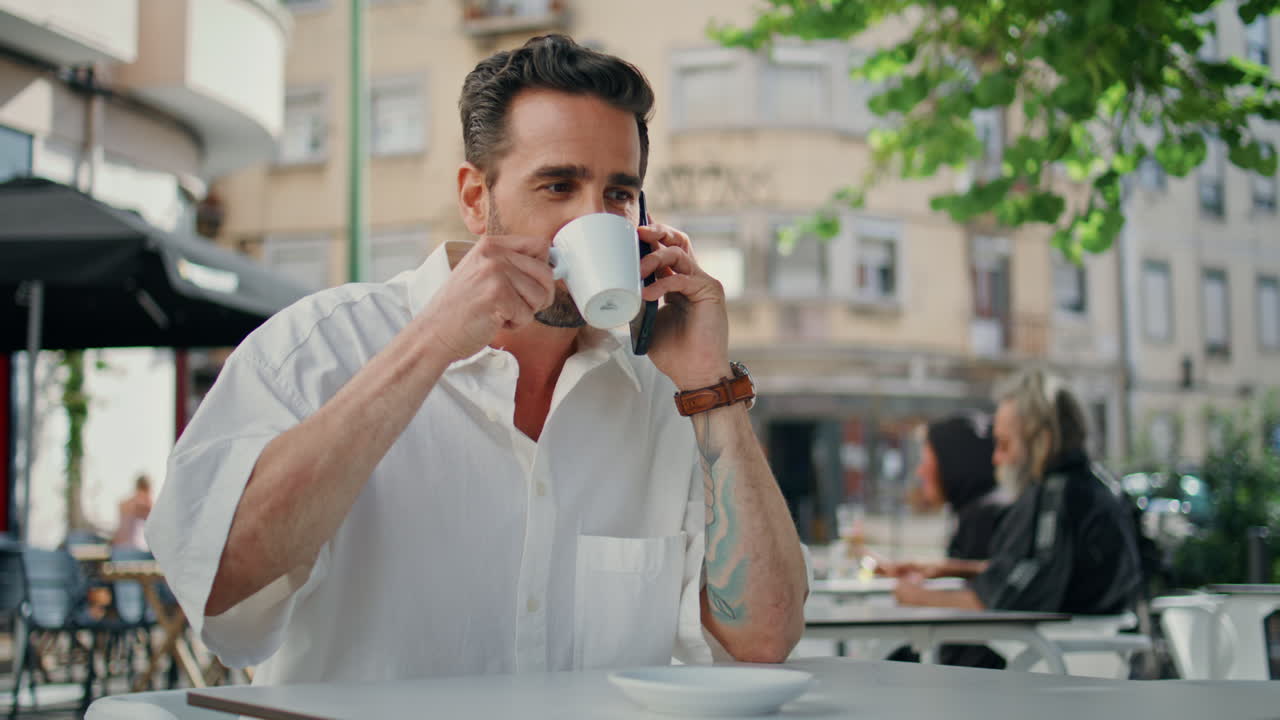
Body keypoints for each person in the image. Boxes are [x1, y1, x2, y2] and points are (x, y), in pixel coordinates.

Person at [146, 35, 808, 686]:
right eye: (557, 186)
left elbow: (763, 639)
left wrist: (711, 389)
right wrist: (431, 345)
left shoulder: (666, 395)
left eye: (618, 194)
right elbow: (222, 582)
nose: (593, 217)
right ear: (474, 199)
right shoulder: (319, 348)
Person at [894, 370, 1141, 619]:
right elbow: (1034, 573)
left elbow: (1005, 603)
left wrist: (911, 595)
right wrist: (951, 570)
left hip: (1039, 652)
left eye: (1004, 444)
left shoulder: (1055, 502)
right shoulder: (1093, 489)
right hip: (1072, 648)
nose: (996, 458)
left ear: (1041, 442)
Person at [880, 412, 1006, 580]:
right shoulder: (979, 512)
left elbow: (976, 596)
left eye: (926, 460)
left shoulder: (984, 521)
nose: (921, 471)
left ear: (953, 463)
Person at [111, 474, 152, 550]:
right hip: (135, 549)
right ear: (148, 488)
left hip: (117, 549)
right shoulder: (144, 502)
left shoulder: (123, 503)